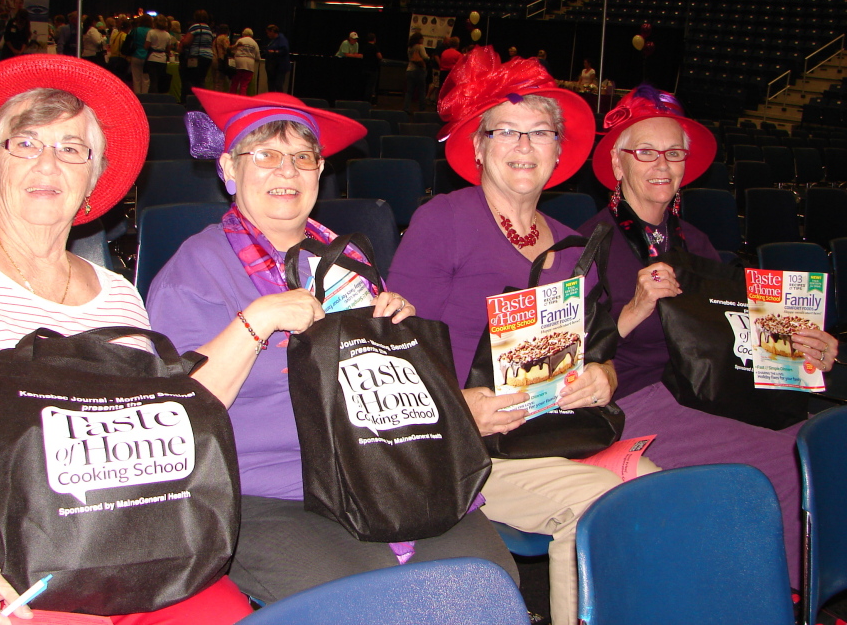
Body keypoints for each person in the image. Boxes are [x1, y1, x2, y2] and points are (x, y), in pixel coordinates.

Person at [0, 56, 253, 625]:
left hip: (104, 552)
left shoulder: (117, 298)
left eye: (71, 149)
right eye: (25, 143)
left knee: (230, 617)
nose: (48, 163)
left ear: (93, 179)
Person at [146, 87, 520, 605]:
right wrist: (258, 320)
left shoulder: (345, 262)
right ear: (229, 170)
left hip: (385, 466)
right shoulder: (194, 272)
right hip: (272, 493)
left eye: (302, 157)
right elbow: (175, 417)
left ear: (320, 173)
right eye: (266, 155)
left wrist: (396, 335)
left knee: (488, 587)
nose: (287, 171)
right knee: (379, 607)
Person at [388, 47, 657, 625]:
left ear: (559, 153)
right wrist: (460, 406)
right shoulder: (445, 221)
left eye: (539, 132)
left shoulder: (568, 240)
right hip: (463, 441)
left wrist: (601, 378)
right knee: (598, 504)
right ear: (478, 147)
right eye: (505, 131)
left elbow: (598, 345)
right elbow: (392, 350)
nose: (523, 145)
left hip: (553, 429)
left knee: (658, 491)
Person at [578, 84, 840, 589]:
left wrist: (802, 349)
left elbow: (727, 333)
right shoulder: (587, 246)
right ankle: (776, 599)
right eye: (646, 152)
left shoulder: (695, 243)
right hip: (633, 399)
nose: (662, 165)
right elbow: (577, 357)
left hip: (704, 390)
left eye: (674, 153)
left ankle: (797, 587)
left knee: (814, 447)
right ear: (617, 162)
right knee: (781, 467)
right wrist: (634, 309)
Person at [181, 10, 214, 100]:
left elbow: (187, 42)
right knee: (201, 80)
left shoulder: (195, 27)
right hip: (208, 57)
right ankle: (203, 100)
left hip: (196, 56)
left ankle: (189, 100)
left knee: (190, 80)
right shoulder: (208, 29)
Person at [144, 15, 173, 94]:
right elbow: (168, 49)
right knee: (160, 81)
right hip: (162, 59)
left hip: (152, 58)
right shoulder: (167, 35)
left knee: (153, 80)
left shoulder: (151, 32)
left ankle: (151, 98)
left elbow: (146, 46)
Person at [403, 31, 429, 116]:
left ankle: (406, 108)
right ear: (420, 39)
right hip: (419, 71)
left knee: (409, 92)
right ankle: (422, 109)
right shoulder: (420, 47)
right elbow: (424, 57)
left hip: (409, 70)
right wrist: (429, 58)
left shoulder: (410, 47)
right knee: (421, 91)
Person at [229, 28, 261, 96]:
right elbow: (258, 57)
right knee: (244, 85)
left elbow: (234, 51)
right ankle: (242, 99)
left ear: (243, 34)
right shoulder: (254, 43)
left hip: (238, 63)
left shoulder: (240, 40)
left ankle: (231, 98)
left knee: (235, 83)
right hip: (249, 65)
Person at [128, 14, 153, 95]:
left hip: (135, 55)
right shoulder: (151, 31)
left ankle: (137, 97)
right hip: (147, 57)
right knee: (146, 79)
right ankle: (144, 97)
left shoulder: (135, 30)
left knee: (136, 78)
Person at [263, 24, 291, 94]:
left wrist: (274, 52)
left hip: (280, 67)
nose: (267, 35)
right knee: (271, 85)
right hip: (272, 67)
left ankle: (280, 100)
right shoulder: (273, 41)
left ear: (272, 31)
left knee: (278, 84)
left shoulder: (282, 39)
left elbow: (285, 50)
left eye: (268, 32)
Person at [360, 32, 383, 105]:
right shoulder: (375, 47)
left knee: (365, 85)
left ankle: (363, 100)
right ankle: (368, 102)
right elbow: (380, 57)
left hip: (364, 69)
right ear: (374, 39)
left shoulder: (365, 47)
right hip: (372, 70)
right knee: (370, 87)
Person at [211, 24, 231, 92]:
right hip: (220, 61)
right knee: (220, 82)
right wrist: (237, 46)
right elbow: (227, 48)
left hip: (213, 60)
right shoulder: (224, 38)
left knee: (215, 81)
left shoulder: (215, 39)